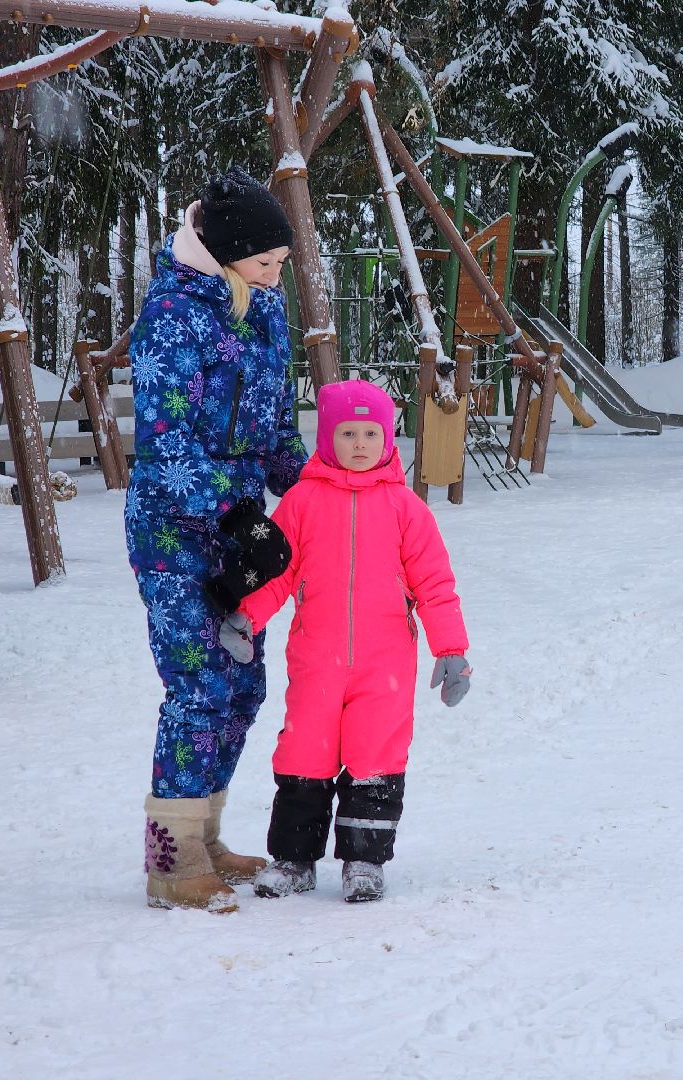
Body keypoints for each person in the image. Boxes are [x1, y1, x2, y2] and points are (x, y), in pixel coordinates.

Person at [126, 167, 306, 912]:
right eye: (265, 262)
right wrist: (234, 514)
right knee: (198, 685)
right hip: (174, 531)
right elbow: (164, 443)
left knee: (242, 687)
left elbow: (277, 430)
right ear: (228, 254)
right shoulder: (171, 315)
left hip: (241, 533)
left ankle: (203, 834)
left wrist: (322, 495)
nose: (276, 274)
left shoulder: (264, 309)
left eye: (281, 262)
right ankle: (171, 863)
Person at [220, 379, 472, 904]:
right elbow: (277, 573)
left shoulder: (406, 508)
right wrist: (248, 616)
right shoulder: (302, 501)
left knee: (375, 753)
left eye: (371, 433)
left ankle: (364, 861)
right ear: (328, 438)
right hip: (317, 657)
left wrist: (451, 650)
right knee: (304, 751)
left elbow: (435, 584)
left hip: (385, 662)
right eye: (348, 433)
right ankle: (294, 860)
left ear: (388, 439)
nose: (360, 444)